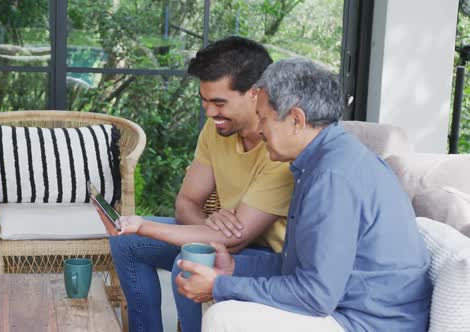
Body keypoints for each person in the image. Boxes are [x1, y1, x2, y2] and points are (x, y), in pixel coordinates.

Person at [175, 57, 433, 332]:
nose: (259, 129)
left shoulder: (331, 177)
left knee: (225, 317)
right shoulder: (324, 160)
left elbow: (315, 295)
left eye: (263, 118)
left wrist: (219, 285)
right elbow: (299, 266)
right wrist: (234, 268)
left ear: (296, 119)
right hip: (351, 306)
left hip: (370, 322)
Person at [103, 37, 295, 332]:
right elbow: (186, 203)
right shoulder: (216, 128)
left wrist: (145, 224)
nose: (209, 113)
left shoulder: (281, 145)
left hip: (270, 259)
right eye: (204, 101)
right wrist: (208, 225)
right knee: (125, 242)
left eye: (219, 103)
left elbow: (237, 239)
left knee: (191, 257)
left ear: (257, 95)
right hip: (222, 239)